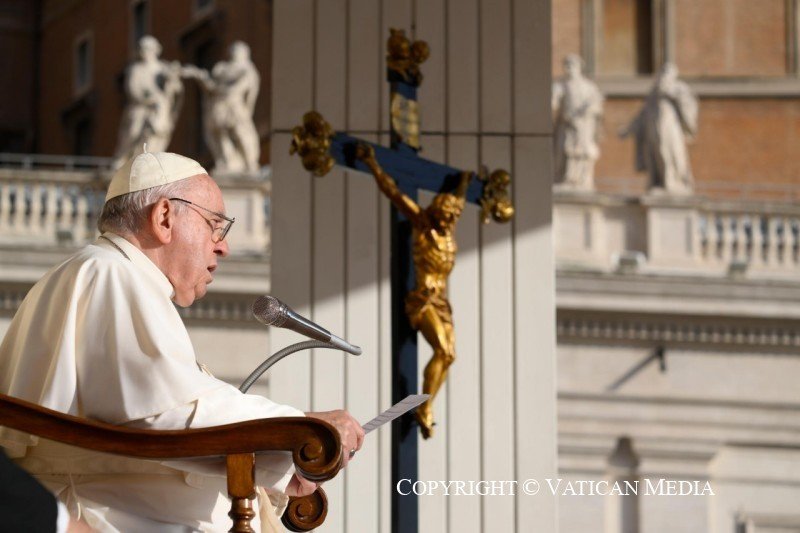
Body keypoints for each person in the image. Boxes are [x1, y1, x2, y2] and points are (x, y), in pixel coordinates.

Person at [0, 149, 364, 532]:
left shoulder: (119, 278)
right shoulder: (108, 273)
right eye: (215, 225)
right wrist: (297, 430)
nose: (223, 246)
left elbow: (162, 410)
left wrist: (282, 462)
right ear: (164, 217)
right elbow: (165, 414)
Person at [356, 143, 468, 439]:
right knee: (443, 350)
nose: (447, 221)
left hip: (442, 301)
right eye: (443, 216)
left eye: (451, 216)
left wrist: (467, 181)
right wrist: (373, 164)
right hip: (423, 299)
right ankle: (425, 407)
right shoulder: (424, 225)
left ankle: (426, 405)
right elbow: (394, 193)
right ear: (436, 213)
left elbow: (459, 198)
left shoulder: (447, 232)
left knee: (450, 355)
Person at [185, 41, 262, 175]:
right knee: (218, 133)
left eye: (238, 51)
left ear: (245, 54)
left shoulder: (247, 70)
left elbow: (240, 89)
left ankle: (250, 162)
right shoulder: (222, 68)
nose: (235, 53)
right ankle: (227, 161)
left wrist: (219, 89)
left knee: (241, 133)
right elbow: (212, 87)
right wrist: (200, 77)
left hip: (235, 106)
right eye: (234, 50)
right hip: (219, 106)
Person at [620, 62, 698, 193]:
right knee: (655, 154)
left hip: (669, 127)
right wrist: (628, 130)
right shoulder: (654, 93)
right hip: (654, 127)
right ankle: (660, 181)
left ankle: (674, 181)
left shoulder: (678, 88)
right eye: (663, 72)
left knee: (670, 152)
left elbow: (688, 103)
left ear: (674, 75)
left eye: (668, 72)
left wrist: (672, 94)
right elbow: (643, 113)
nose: (664, 75)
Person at [112, 36, 187, 168]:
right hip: (140, 107)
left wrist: (172, 80)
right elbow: (132, 89)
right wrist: (147, 99)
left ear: (156, 50)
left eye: (148, 49)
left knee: (156, 134)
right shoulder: (135, 69)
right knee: (133, 132)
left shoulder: (163, 68)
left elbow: (175, 89)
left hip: (159, 109)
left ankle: (149, 161)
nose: (145, 52)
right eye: (142, 49)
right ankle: (123, 159)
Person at [551, 54, 604, 190]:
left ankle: (581, 180)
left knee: (582, 152)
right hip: (566, 124)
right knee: (565, 151)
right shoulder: (560, 85)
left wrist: (586, 112)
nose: (569, 68)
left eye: (572, 65)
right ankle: (567, 178)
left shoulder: (589, 87)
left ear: (579, 67)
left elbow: (597, 104)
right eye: (567, 65)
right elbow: (554, 102)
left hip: (584, 126)